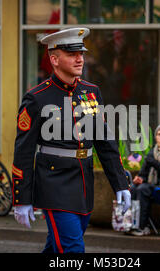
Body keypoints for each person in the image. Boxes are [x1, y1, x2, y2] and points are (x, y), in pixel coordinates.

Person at [12, 27, 131, 253]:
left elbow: (105, 143)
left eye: (81, 53)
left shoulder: (92, 92)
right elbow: (24, 151)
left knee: (57, 247)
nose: (80, 58)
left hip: (83, 182)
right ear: (54, 59)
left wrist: (120, 184)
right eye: (72, 54)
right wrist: (21, 197)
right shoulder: (37, 97)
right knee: (73, 248)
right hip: (53, 183)